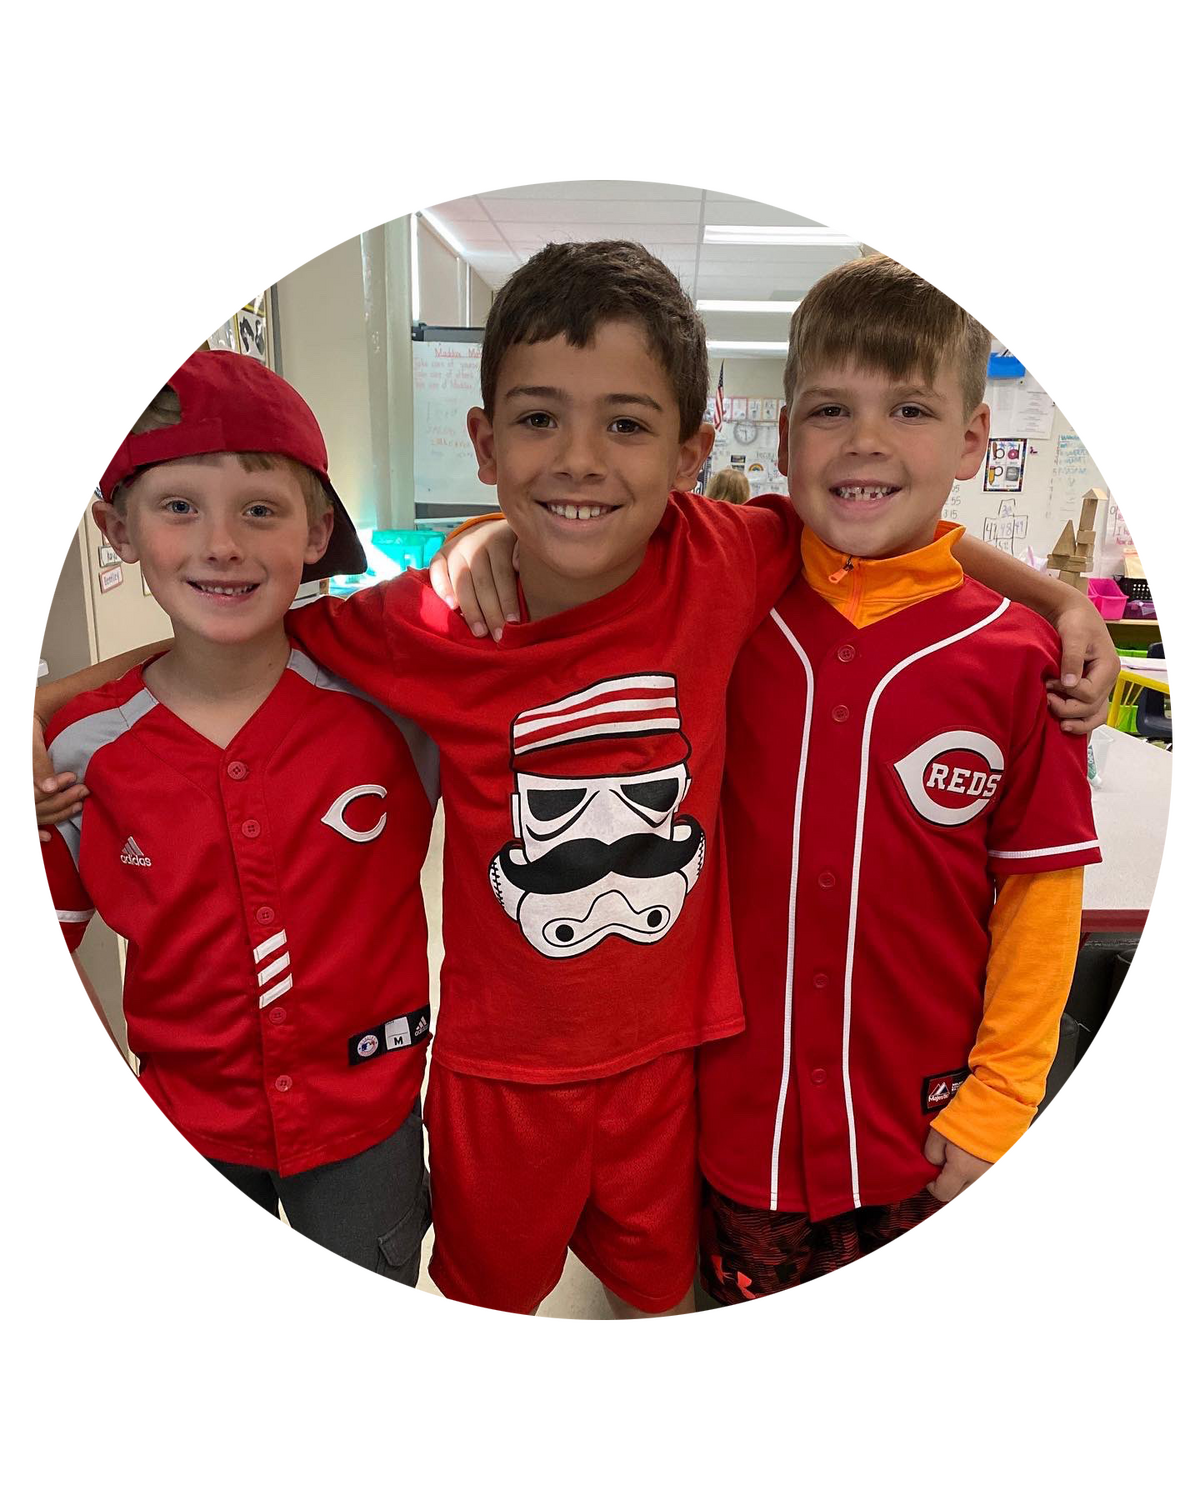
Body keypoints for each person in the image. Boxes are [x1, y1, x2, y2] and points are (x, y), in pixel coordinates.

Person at [32, 243, 1119, 1320]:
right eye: (540, 419)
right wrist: (45, 706)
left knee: (651, 1294)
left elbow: (882, 527)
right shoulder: (434, 620)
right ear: (486, 440)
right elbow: (241, 623)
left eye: (628, 425)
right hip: (496, 1078)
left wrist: (1061, 602)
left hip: (673, 1072)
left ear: (694, 451)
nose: (581, 460)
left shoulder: (726, 558)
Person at [697, 254, 1102, 1302]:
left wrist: (1004, 1101)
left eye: (911, 407)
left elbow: (1041, 895)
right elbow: (583, 531)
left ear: (973, 438)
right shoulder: (726, 607)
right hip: (740, 1129)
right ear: (784, 438)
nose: (866, 439)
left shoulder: (1021, 662)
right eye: (831, 407)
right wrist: (494, 541)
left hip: (925, 1138)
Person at [36, 351, 438, 1286]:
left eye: (261, 508)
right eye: (179, 507)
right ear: (116, 528)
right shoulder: (78, 749)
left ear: (317, 529)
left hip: (368, 1121)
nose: (222, 544)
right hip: (187, 1119)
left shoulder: (394, 704)